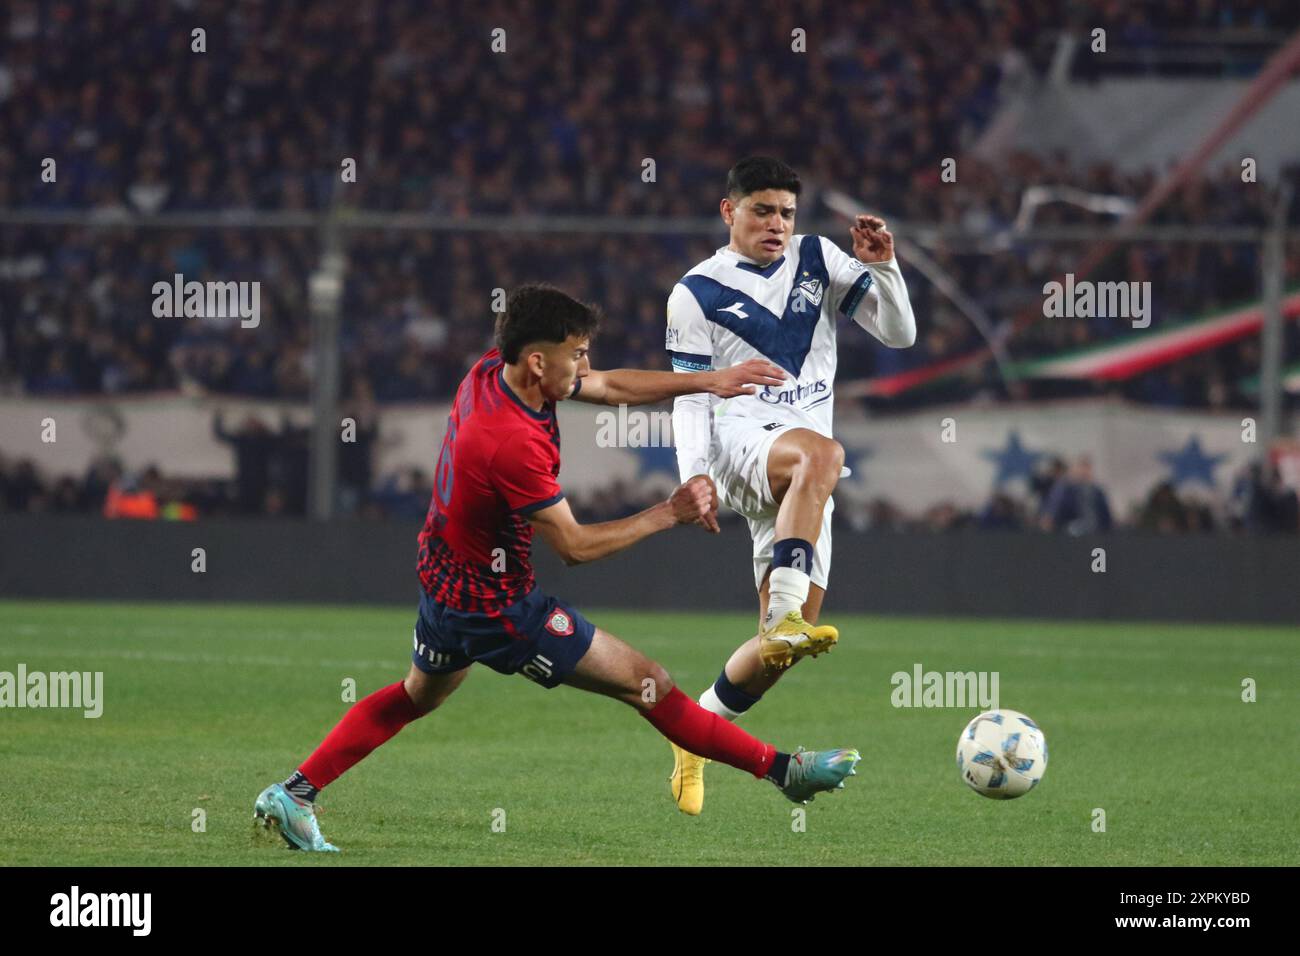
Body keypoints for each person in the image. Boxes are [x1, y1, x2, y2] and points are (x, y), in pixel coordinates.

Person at [253, 284, 861, 852]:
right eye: (578, 353)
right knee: (649, 683)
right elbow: (573, 546)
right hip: (499, 608)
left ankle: (294, 793)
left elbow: (612, 388)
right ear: (540, 361)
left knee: (415, 696)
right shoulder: (509, 441)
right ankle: (785, 771)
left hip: (442, 575)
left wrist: (711, 379)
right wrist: (667, 513)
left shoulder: (496, 371)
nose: (585, 366)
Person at [664, 156, 916, 815]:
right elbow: (689, 398)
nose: (776, 224)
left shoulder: (819, 259)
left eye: (785, 212)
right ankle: (784, 612)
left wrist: (886, 266)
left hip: (799, 472)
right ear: (729, 212)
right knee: (825, 455)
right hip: (741, 442)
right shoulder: (694, 292)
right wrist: (693, 476)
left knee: (781, 653)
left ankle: (694, 731)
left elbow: (899, 334)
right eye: (761, 210)